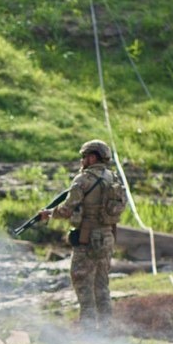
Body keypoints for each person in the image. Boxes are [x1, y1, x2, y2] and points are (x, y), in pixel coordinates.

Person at [39, 139, 118, 333]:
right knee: (102, 285)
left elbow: (67, 210)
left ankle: (89, 332)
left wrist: (49, 214)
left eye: (84, 157)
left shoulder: (82, 180)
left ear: (92, 157)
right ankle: (107, 329)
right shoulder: (113, 178)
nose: (82, 161)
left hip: (87, 238)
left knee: (82, 283)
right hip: (107, 237)